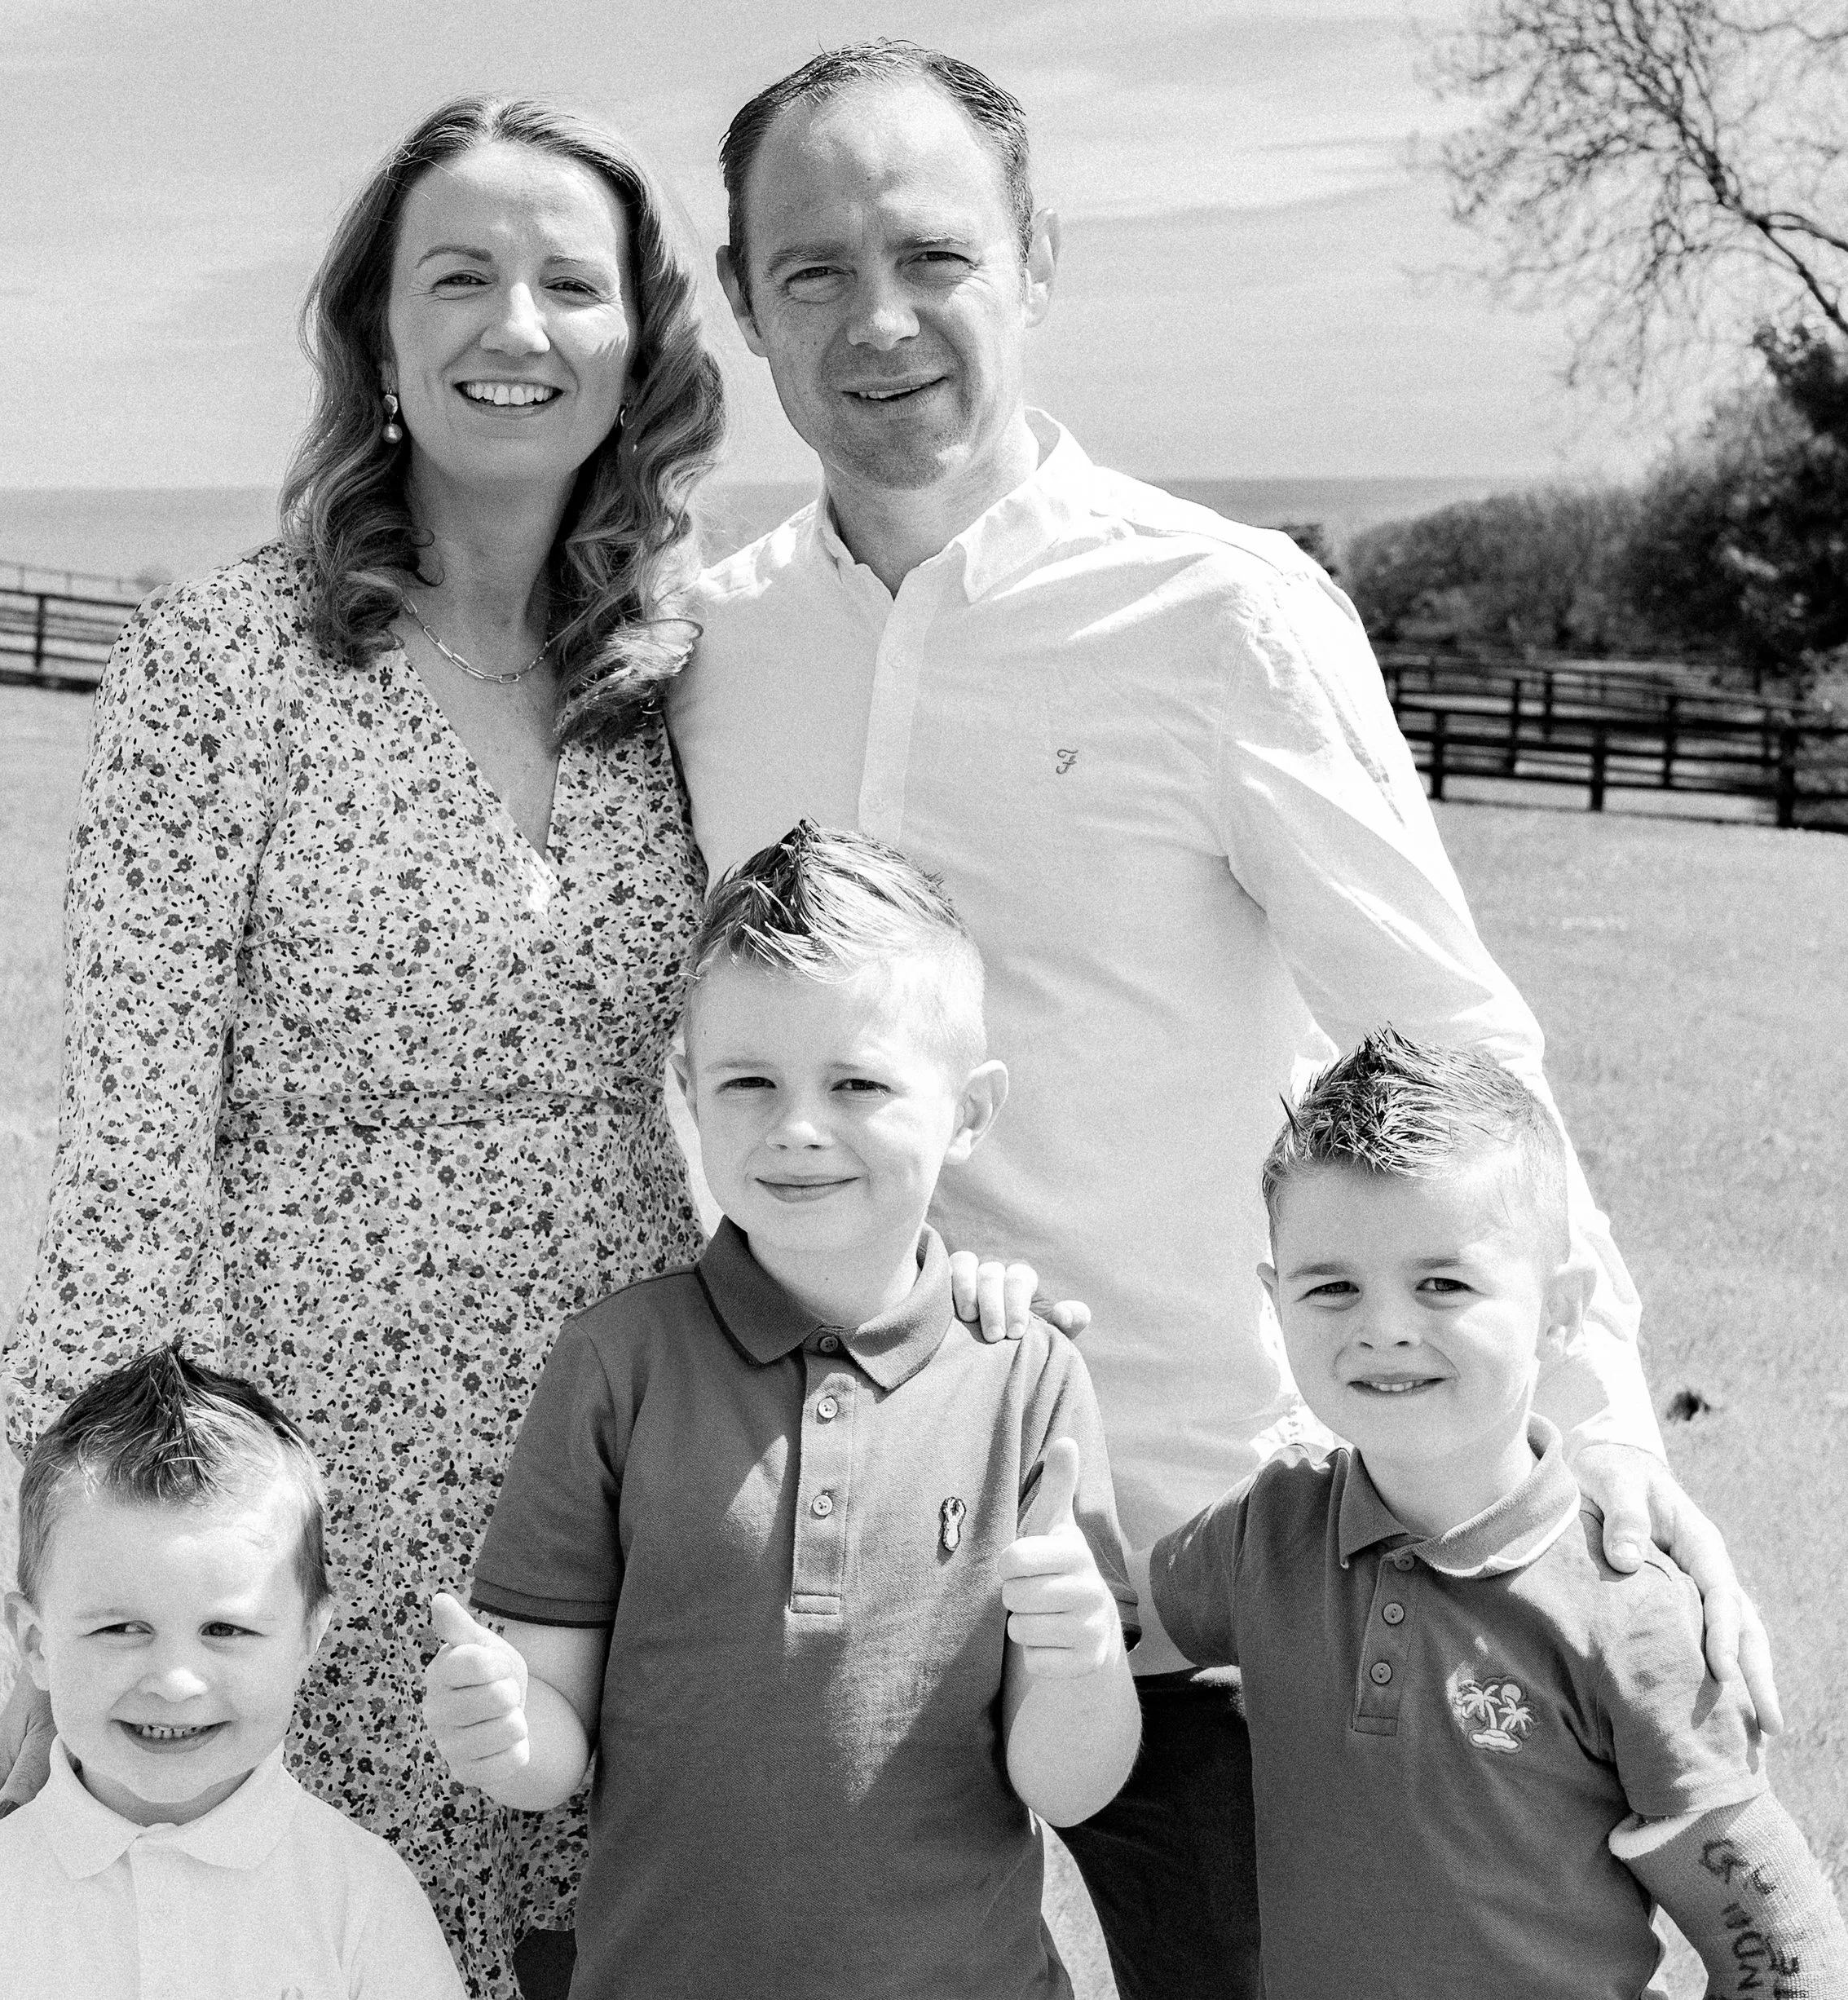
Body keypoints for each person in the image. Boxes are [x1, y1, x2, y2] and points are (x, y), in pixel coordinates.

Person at [667, 38, 1780, 1998]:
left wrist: (1597, 1436)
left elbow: (1451, 1047)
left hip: (1205, 1569)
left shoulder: (1226, 615)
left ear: (1035, 263)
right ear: (746, 299)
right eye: (812, 267)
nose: (879, 317)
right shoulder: (709, 644)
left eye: (932, 252)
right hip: (830, 1585)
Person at [0, 94, 726, 2000]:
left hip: (626, 1450)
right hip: (314, 1454)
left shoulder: (695, 666)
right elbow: (131, 1142)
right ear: (374, 333)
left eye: (570, 282)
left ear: (641, 340)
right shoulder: (219, 669)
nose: (514, 326)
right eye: (456, 277)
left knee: (599, 1940)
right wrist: (75, 1587)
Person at [424, 821, 1142, 2000]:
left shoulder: (1028, 1377)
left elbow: (1069, 1784)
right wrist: (507, 1732)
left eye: (857, 1083)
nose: (797, 1127)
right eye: (749, 1082)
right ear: (688, 1093)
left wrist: (1079, 1660)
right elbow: (553, 1745)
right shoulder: (619, 1362)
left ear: (968, 1111)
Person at [1150, 1032, 1847, 2000]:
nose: (1384, 1324)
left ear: (1558, 1312)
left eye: (1443, 1281)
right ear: (1276, 1302)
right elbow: (1095, 1623)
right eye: (1332, 1285)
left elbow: (1785, 1950)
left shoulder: (1629, 1611)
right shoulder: (1261, 1532)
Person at [0, 1344, 467, 1999]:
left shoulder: (361, 1901)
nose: (175, 1681)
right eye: (121, 1628)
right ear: (36, 1641)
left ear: (306, 1638)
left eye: (225, 1629)